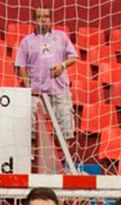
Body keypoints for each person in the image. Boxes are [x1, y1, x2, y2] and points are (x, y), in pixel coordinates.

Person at [14, 6, 77, 140]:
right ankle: (31, 158)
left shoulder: (61, 36)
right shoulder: (26, 41)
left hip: (60, 91)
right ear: (34, 20)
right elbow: (21, 66)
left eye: (46, 17)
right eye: (39, 17)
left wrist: (62, 65)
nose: (43, 20)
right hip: (37, 94)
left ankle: (65, 159)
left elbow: (73, 57)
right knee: (29, 129)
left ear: (50, 20)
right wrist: (29, 87)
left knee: (66, 132)